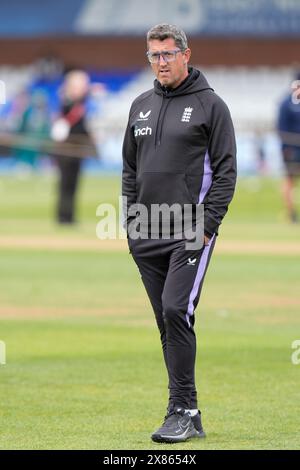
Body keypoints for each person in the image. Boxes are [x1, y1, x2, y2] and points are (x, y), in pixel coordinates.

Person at [122, 23, 237, 443]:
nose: (160, 62)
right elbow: (129, 170)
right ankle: (188, 414)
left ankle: (182, 410)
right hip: (146, 233)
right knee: (167, 322)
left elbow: (226, 173)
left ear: (186, 54)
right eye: (154, 55)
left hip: (190, 230)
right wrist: (130, 223)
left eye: (168, 54)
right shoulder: (139, 105)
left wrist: (207, 227)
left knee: (176, 310)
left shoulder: (212, 107)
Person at [53, 70, 94, 224]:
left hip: (77, 149)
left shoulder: (78, 102)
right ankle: (63, 217)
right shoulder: (67, 100)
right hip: (66, 150)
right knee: (66, 184)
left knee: (74, 184)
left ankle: (69, 216)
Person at [277, 72, 300, 223]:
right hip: (292, 149)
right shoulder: (286, 103)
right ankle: (291, 213)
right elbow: (281, 129)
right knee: (289, 181)